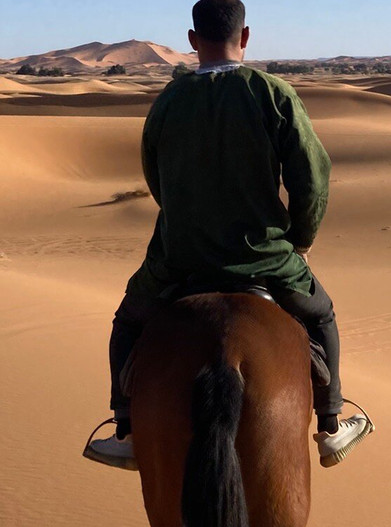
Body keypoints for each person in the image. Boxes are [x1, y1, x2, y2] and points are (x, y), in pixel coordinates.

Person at [85, 0, 372, 470]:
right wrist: (300, 238)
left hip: (178, 258)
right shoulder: (273, 93)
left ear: (194, 41)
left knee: (128, 323)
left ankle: (127, 430)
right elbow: (312, 174)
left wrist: (187, 219)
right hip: (265, 258)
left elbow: (155, 178)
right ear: (246, 37)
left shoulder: (168, 101)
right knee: (321, 315)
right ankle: (331, 423)